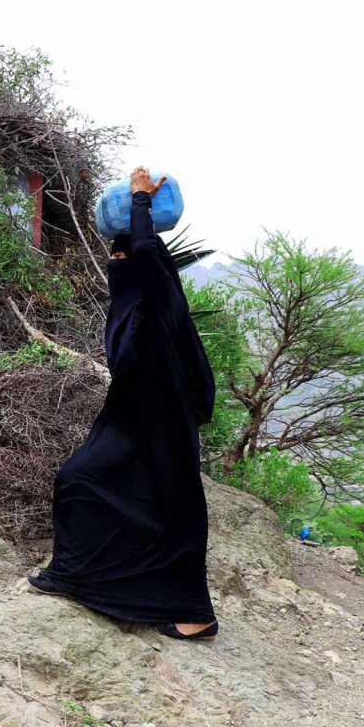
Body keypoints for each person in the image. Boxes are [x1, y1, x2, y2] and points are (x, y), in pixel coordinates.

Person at [30, 167, 219, 640]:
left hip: (158, 416)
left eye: (122, 252)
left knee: (138, 498)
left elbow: (146, 250)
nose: (116, 260)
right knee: (103, 486)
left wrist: (138, 201)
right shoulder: (147, 297)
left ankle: (190, 614)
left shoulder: (154, 290)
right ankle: (84, 577)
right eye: (113, 252)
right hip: (139, 411)